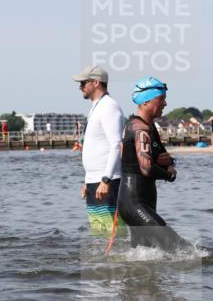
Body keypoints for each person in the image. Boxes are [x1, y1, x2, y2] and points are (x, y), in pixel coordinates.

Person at [117, 76, 189, 251]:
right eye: (161, 99)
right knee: (177, 246)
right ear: (146, 101)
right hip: (134, 202)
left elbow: (161, 157)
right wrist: (170, 174)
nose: (165, 104)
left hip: (141, 201)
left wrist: (170, 162)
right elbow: (147, 168)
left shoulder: (148, 127)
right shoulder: (140, 130)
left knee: (144, 253)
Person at [73, 65, 126, 236]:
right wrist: (88, 181)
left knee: (114, 234)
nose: (79, 87)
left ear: (96, 83)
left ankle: (120, 263)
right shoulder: (96, 107)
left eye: (83, 83)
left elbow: (116, 144)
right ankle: (101, 264)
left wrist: (106, 179)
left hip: (108, 181)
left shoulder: (109, 107)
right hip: (94, 181)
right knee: (98, 233)